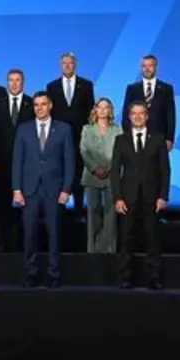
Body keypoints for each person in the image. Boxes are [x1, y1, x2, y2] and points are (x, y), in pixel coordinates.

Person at [12, 93, 75, 288]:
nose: (39, 108)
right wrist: (16, 189)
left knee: (54, 233)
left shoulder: (63, 129)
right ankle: (31, 272)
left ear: (50, 106)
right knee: (30, 234)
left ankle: (54, 273)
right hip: (29, 190)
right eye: (36, 105)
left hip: (53, 190)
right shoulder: (24, 129)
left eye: (43, 104)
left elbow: (69, 161)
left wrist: (66, 189)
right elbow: (17, 161)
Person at [111, 101, 171, 290]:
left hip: (152, 198)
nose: (137, 117)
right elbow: (115, 171)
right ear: (129, 117)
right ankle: (125, 278)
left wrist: (163, 196)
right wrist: (117, 198)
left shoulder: (158, 139)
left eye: (141, 113)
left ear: (147, 116)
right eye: (133, 114)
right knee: (126, 238)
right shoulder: (121, 140)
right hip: (128, 197)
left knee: (152, 238)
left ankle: (154, 277)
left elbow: (165, 170)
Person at [0, 69, 33, 251]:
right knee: (1, 205)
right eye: (10, 80)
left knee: (24, 206)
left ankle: (21, 244)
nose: (14, 84)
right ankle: (2, 244)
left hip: (26, 164)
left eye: (17, 80)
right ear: (7, 83)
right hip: (2, 164)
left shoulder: (31, 105)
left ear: (23, 83)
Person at [45, 53, 95, 217]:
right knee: (59, 172)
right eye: (64, 63)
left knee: (79, 172)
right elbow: (48, 114)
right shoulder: (52, 87)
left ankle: (79, 210)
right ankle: (59, 210)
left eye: (70, 63)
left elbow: (91, 113)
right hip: (58, 139)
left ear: (75, 65)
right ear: (60, 65)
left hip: (80, 138)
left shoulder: (86, 85)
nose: (67, 66)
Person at [80, 98, 122, 255]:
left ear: (110, 111)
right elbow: (84, 151)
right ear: (95, 110)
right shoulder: (87, 129)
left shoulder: (117, 130)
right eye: (100, 107)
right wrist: (95, 168)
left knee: (111, 215)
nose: (103, 110)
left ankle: (110, 250)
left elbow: (119, 152)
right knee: (93, 214)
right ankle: (93, 250)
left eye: (106, 107)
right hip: (91, 177)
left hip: (112, 177)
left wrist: (109, 168)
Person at [121, 54, 176, 151]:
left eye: (150, 66)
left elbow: (170, 115)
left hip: (160, 137)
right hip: (136, 137)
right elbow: (126, 114)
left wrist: (169, 138)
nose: (147, 69)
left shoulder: (166, 89)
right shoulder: (132, 88)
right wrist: (127, 135)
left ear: (155, 67)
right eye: (144, 66)